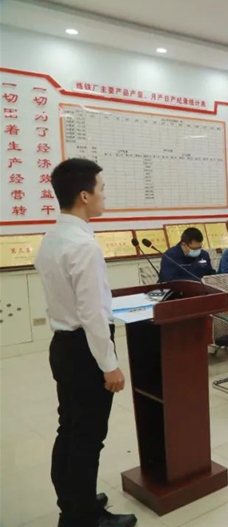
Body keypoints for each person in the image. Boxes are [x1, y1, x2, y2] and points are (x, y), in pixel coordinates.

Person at [34, 158, 137, 527]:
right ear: (84, 195)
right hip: (84, 351)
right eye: (101, 189)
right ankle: (83, 518)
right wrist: (109, 365)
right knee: (88, 437)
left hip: (63, 346)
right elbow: (93, 315)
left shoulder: (52, 238)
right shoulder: (83, 246)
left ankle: (73, 500)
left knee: (70, 428)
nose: (104, 196)